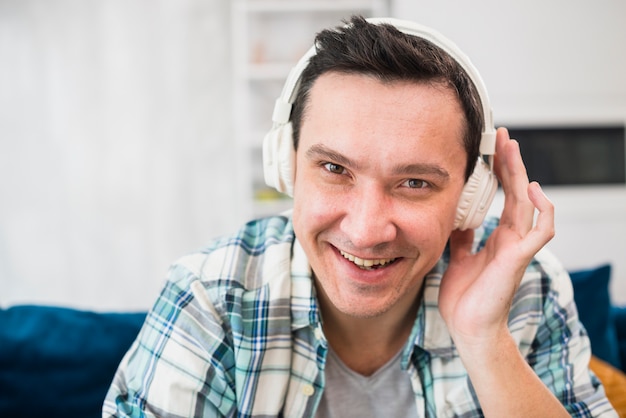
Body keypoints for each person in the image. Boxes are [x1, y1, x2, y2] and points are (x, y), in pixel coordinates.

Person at [103, 16, 617, 417]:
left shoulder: (528, 289)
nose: (367, 230)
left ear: (471, 197)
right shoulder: (213, 296)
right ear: (287, 166)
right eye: (334, 168)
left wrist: (485, 341)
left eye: (414, 183)